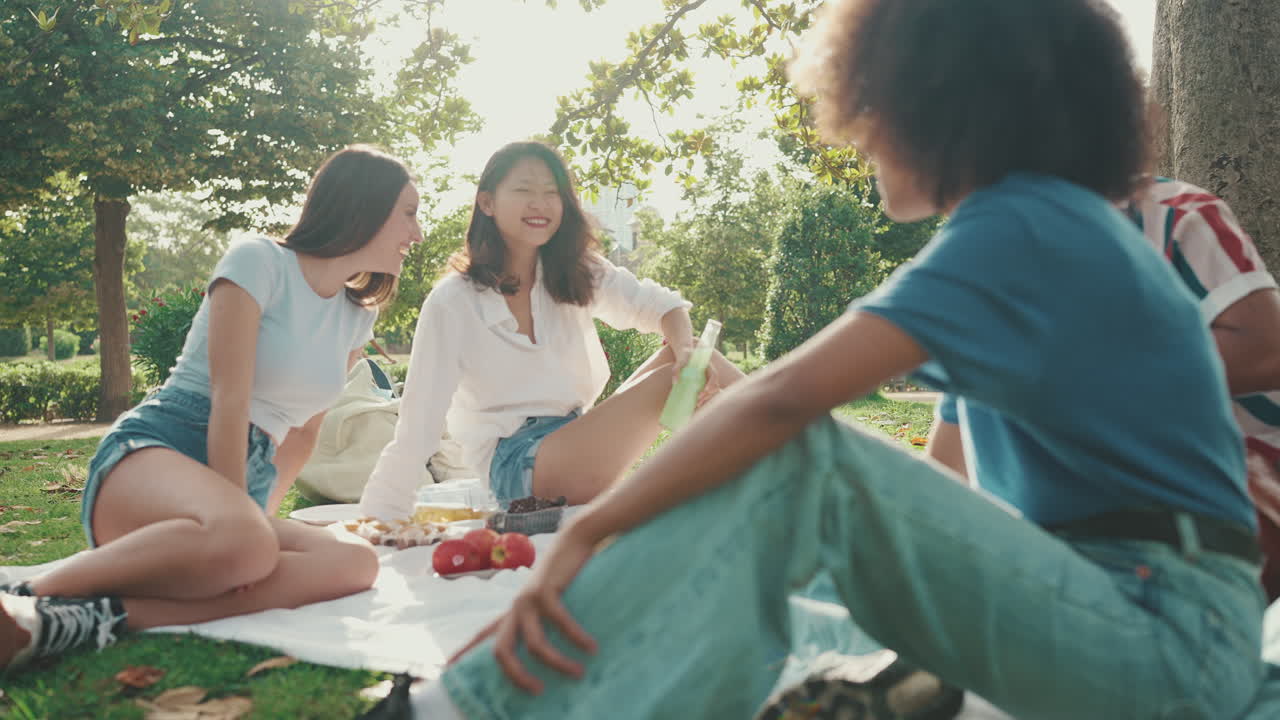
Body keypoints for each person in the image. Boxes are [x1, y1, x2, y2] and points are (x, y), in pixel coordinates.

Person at [412, 1, 1268, 718]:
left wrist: (591, 534)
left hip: (1166, 635)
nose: (855, 134)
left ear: (937, 101)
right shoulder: (1051, 235)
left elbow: (787, 406)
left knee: (795, 452)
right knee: (800, 516)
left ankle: (462, 711)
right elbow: (928, 497)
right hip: (1146, 613)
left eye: (871, 101)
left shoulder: (1023, 225)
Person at [0, 145, 420, 670]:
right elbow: (228, 398)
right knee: (249, 544)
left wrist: (254, 519)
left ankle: (98, 617)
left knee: (354, 563)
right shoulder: (260, 261)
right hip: (163, 446)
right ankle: (29, 592)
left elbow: (302, 433)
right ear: (365, 206)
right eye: (409, 213)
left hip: (243, 479)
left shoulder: (355, 317)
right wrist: (244, 528)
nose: (417, 233)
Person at [358, 140, 743, 520]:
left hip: (573, 440)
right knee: (674, 381)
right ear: (487, 202)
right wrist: (381, 512)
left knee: (693, 352)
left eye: (551, 193)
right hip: (514, 465)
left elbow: (665, 307)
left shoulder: (574, 272)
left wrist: (686, 354)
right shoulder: (453, 301)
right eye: (524, 190)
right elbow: (418, 423)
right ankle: (774, 463)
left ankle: (795, 448)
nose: (539, 203)